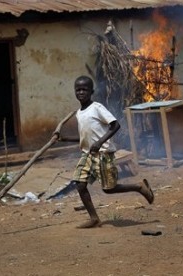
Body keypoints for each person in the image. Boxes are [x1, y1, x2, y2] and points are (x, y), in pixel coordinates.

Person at [53, 75, 154, 228]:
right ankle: (94, 218)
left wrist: (99, 143)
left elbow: (115, 125)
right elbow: (84, 137)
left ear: (91, 91)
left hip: (103, 154)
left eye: (84, 90)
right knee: (80, 184)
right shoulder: (79, 113)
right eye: (78, 90)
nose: (81, 92)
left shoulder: (97, 107)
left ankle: (139, 187)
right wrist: (65, 139)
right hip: (87, 154)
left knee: (109, 189)